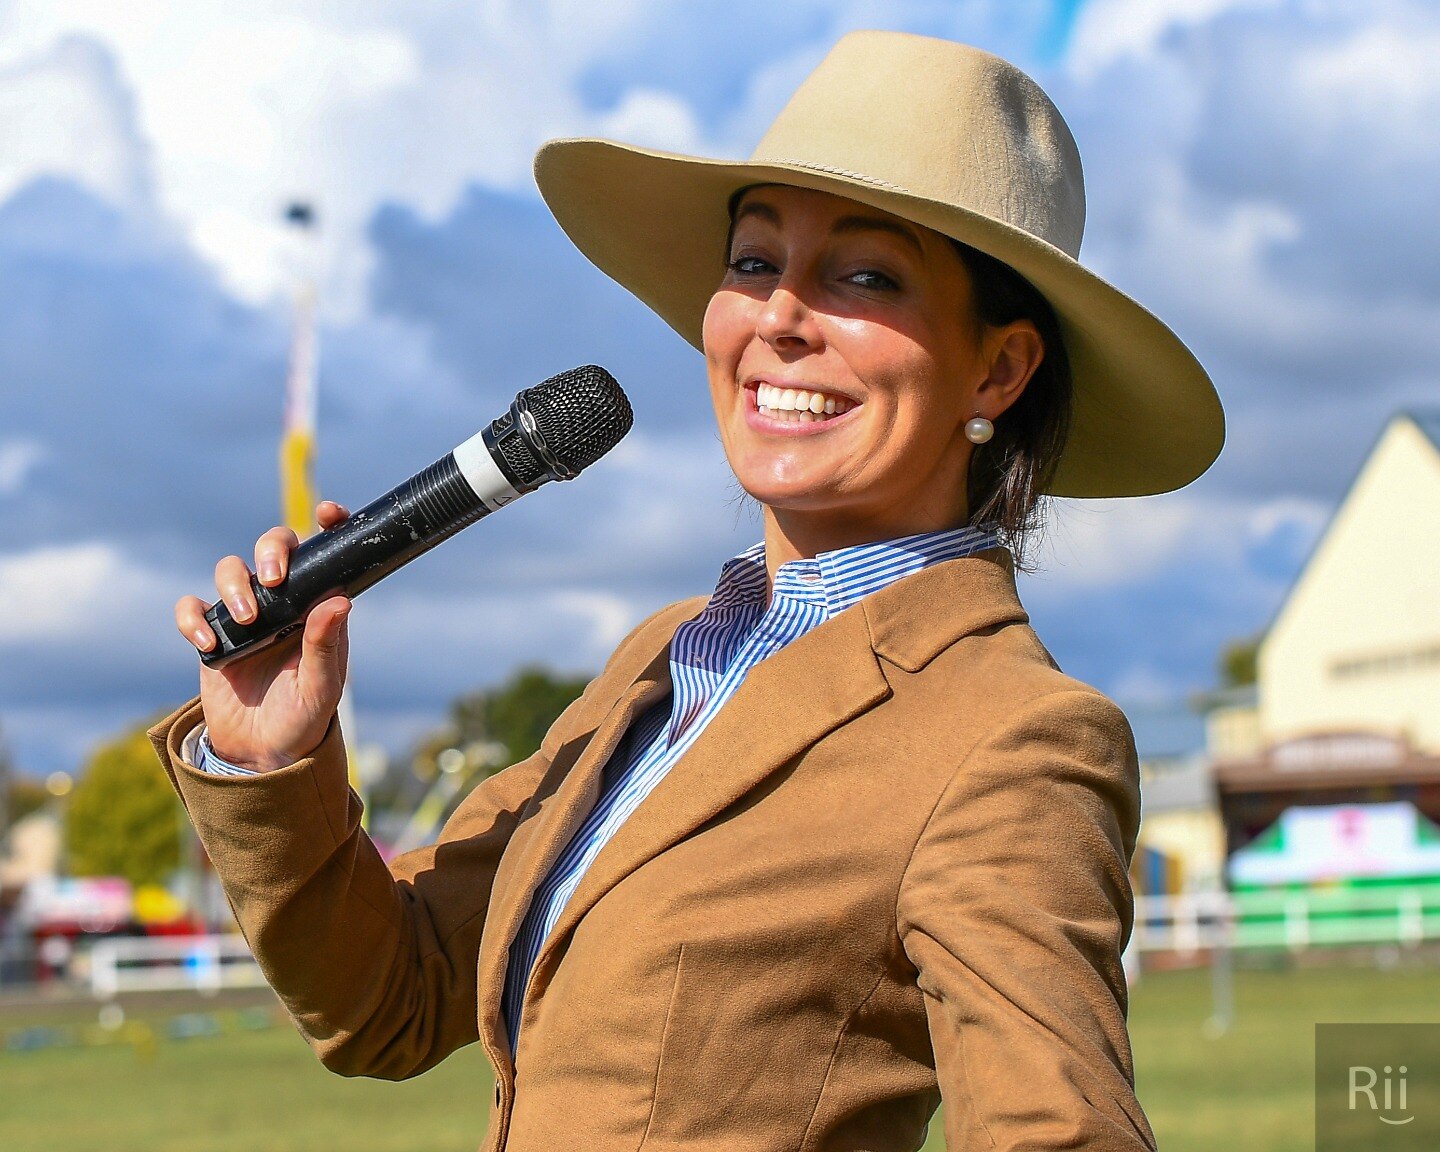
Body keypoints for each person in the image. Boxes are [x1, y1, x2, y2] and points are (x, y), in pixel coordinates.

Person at [153, 31, 1222, 1152]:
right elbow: (394, 1001)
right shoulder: (665, 662)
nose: (779, 318)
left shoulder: (1016, 739)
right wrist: (274, 761)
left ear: (998, 370)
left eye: (865, 276)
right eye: (755, 262)